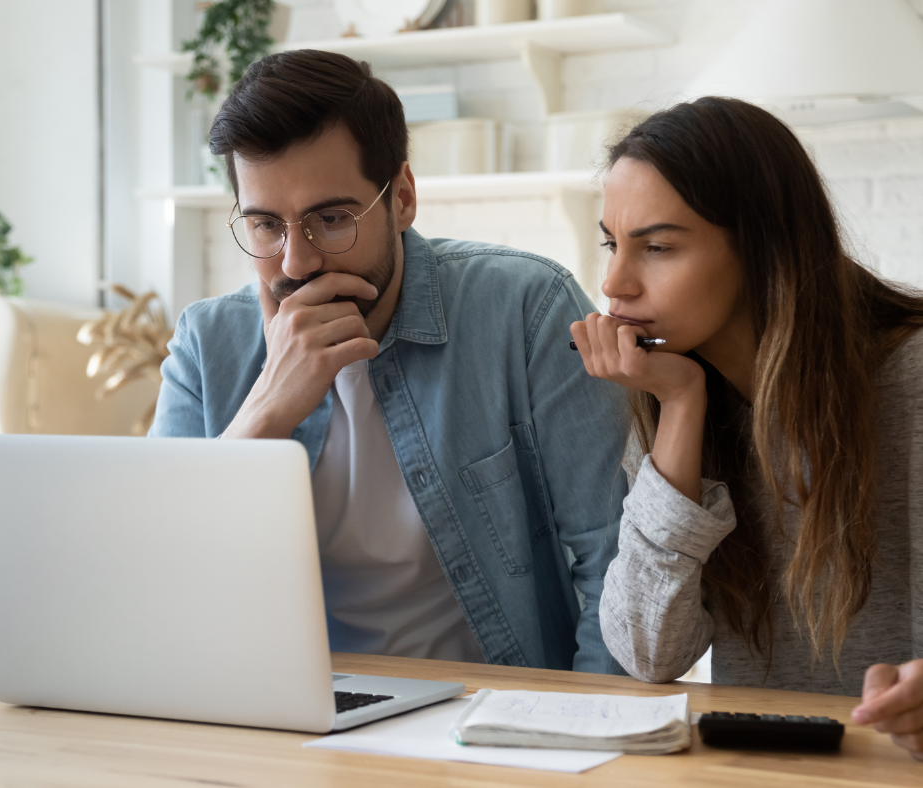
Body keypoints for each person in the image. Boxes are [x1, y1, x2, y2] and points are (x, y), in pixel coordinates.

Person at [148, 49, 630, 675]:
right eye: (266, 225)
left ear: (401, 198)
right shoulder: (205, 344)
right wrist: (266, 409)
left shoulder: (526, 309)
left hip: (491, 715)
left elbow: (614, 564)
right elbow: (158, 581)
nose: (296, 261)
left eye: (331, 218)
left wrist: (573, 731)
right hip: (288, 714)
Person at [570, 96, 923, 759]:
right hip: (765, 770)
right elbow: (650, 653)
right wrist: (678, 410)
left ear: (762, 248)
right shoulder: (674, 390)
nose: (614, 283)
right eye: (612, 245)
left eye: (659, 247)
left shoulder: (912, 382)